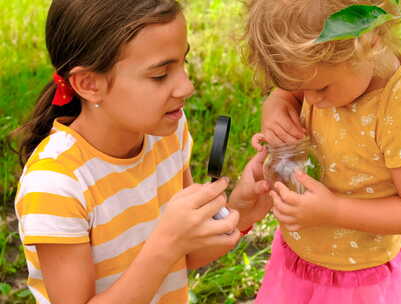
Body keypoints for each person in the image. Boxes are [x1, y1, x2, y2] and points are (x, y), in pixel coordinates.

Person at [13, 1, 271, 303]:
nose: (186, 87)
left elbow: (185, 256)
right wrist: (167, 244)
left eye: (183, 63)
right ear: (89, 84)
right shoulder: (56, 184)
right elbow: (169, 250)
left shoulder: (167, 134)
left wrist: (242, 211)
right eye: (160, 75)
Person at [246, 0, 401, 302]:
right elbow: (297, 86)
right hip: (301, 260)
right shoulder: (324, 73)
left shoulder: (400, 112)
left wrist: (333, 211)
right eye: (300, 89)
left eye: (320, 89)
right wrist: (277, 104)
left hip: (358, 281)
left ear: (370, 41)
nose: (309, 99)